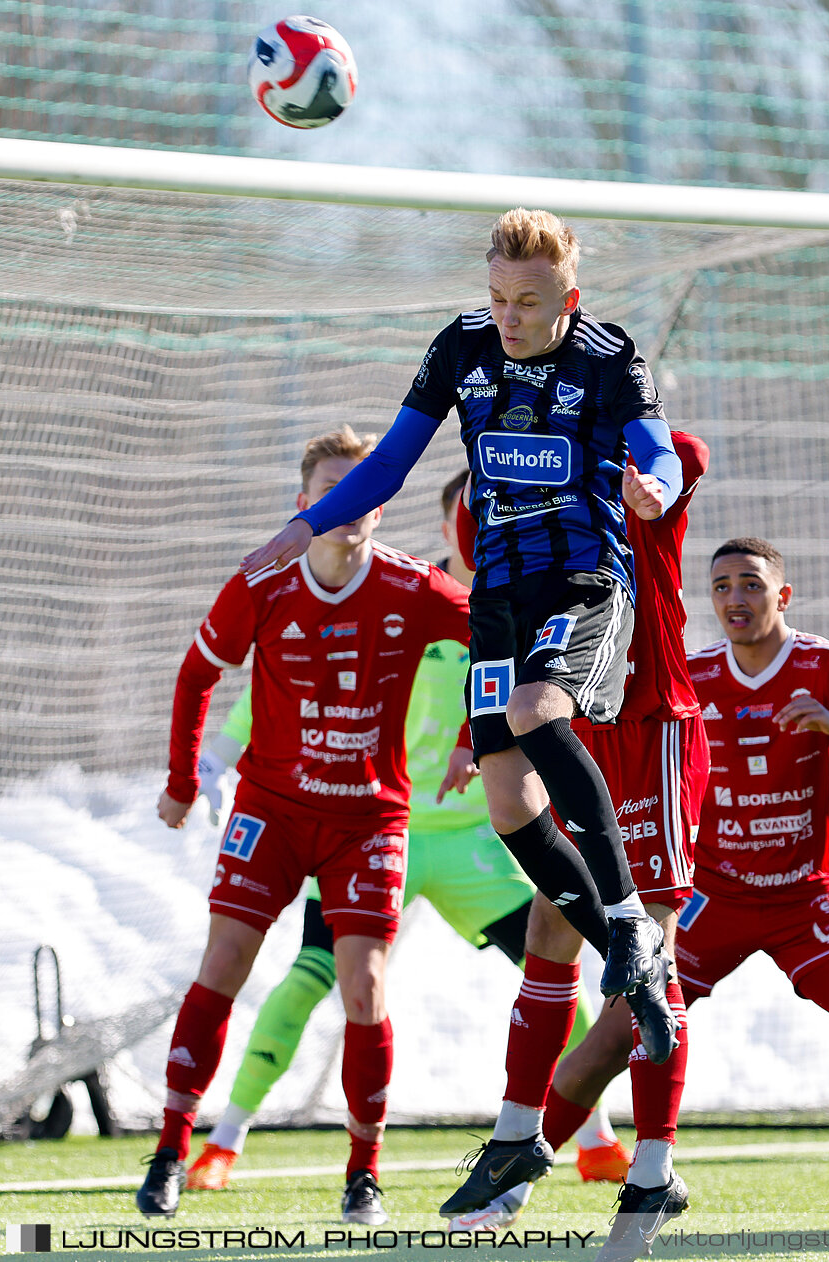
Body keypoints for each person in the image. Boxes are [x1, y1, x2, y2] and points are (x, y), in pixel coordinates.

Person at [241, 209, 686, 1068]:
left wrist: (655, 490)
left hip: (587, 582)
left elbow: (657, 450)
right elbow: (390, 460)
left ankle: (629, 922)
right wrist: (308, 526)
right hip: (502, 598)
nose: (508, 317)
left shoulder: (608, 355)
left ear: (568, 299)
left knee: (535, 708)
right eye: (496, 296)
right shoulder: (463, 347)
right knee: (511, 804)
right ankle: (637, 972)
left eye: (527, 301)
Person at [182, 471, 627, 1192]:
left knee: (552, 970)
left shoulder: (525, 611)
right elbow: (298, 689)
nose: (491, 525)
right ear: (452, 521)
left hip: (469, 845)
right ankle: (225, 1139)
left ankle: (594, 1136)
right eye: (477, 512)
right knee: (309, 982)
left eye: (504, 512)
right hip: (366, 829)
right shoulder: (407, 597)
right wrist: (213, 760)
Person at [482, 537, 829, 1245]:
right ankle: (507, 1193)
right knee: (605, 1045)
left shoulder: (826, 665)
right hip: (708, 897)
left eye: (751, 584)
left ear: (784, 595)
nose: (735, 599)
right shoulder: (690, 677)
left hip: (804, 895)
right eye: (721, 587)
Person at [136, 427, 471, 1224]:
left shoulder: (415, 589)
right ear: (304, 503)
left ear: (378, 507)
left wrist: (473, 736)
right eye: (329, 489)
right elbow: (196, 673)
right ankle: (170, 1152)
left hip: (368, 818)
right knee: (225, 961)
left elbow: (497, 637)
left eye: (359, 489)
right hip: (274, 810)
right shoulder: (264, 583)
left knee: (365, 985)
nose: (345, 503)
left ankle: (364, 1174)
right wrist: (185, 779)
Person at [441, 434, 711, 1262]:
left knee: (646, 970)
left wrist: (642, 475)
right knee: (548, 940)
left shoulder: (611, 489)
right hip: (574, 740)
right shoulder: (513, 530)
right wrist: (471, 733)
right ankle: (518, 1156)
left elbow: (687, 453)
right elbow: (509, 638)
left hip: (652, 731)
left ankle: (650, 1169)